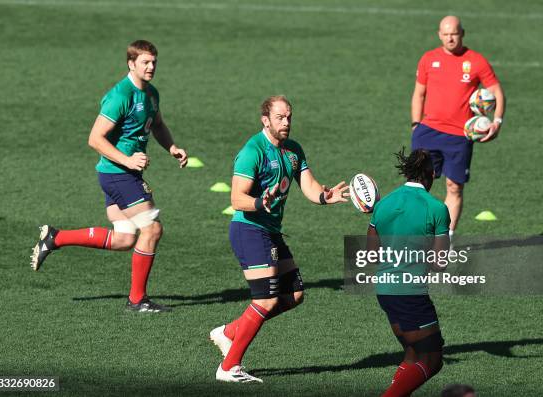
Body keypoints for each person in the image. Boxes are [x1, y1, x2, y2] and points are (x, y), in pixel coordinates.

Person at [30, 40, 188, 313]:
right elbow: (94, 138)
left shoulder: (151, 94)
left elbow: (158, 125)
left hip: (119, 174)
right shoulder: (120, 96)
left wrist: (171, 147)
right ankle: (137, 300)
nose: (151, 67)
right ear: (131, 63)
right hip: (119, 174)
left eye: (154, 62)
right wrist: (127, 159)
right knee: (152, 229)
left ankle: (55, 238)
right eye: (145, 63)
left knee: (125, 238)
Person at [209, 95, 349, 383]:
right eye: (280, 118)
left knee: (294, 295)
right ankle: (229, 367)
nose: (286, 123)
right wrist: (261, 203)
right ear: (265, 120)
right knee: (266, 300)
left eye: (289, 117)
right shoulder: (253, 151)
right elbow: (236, 198)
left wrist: (325, 197)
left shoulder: (293, 151)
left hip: (270, 231)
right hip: (249, 229)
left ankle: (228, 333)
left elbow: (309, 187)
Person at [411, 15, 505, 237]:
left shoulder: (476, 61)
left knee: (454, 187)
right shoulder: (428, 59)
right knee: (417, 186)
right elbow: (419, 94)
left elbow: (498, 93)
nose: (450, 38)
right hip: (428, 132)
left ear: (462, 33)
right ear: (439, 35)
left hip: (459, 136)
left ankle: (445, 240)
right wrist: (415, 124)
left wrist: (497, 122)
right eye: (445, 34)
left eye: (454, 33)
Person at [368, 148, 449, 397]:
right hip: (411, 294)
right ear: (431, 173)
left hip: (385, 291)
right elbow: (439, 263)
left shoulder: (384, 204)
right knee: (432, 359)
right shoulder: (436, 208)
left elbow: (372, 253)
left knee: (413, 354)